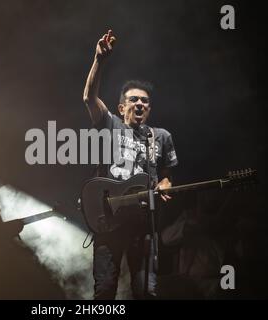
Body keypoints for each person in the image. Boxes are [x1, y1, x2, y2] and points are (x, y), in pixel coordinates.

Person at [82, 30, 178, 299]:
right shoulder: (109, 124)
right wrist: (99, 59)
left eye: (145, 101)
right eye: (133, 100)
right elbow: (89, 98)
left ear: (149, 109)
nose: (139, 103)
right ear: (122, 107)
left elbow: (167, 174)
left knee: (146, 290)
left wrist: (165, 183)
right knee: (105, 290)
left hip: (142, 224)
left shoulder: (161, 136)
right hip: (108, 219)